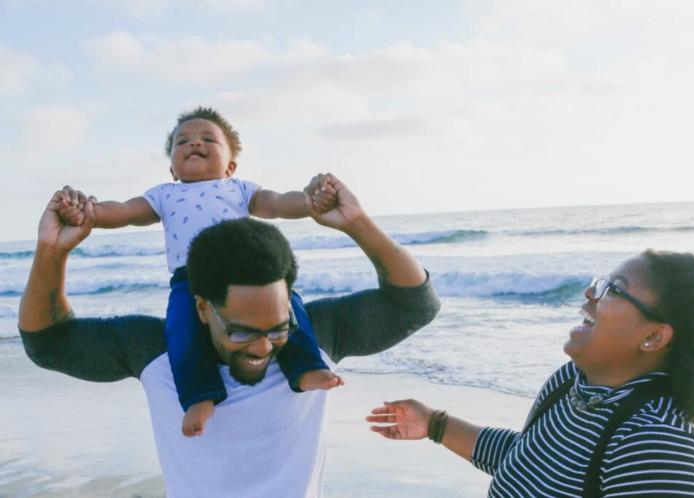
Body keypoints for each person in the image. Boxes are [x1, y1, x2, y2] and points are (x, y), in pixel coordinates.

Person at [20, 174, 440, 497]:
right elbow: (48, 342)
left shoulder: (314, 336)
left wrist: (357, 223)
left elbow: (416, 303)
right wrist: (52, 252)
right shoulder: (157, 350)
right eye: (241, 332)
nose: (262, 347)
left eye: (277, 328)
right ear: (202, 307)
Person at [57, 106, 342, 437]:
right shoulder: (164, 194)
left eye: (208, 139)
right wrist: (86, 212)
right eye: (183, 141)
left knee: (288, 305)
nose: (194, 144)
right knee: (181, 330)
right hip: (189, 279)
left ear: (230, 166)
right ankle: (199, 396)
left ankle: (306, 368)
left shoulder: (240, 189)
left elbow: (278, 203)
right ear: (172, 169)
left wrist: (311, 201)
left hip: (246, 271)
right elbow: (123, 212)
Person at [367, 251, 694, 497]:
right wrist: (434, 424)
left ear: (654, 336)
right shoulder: (570, 385)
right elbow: (529, 462)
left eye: (614, 290)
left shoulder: (657, 447)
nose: (591, 292)